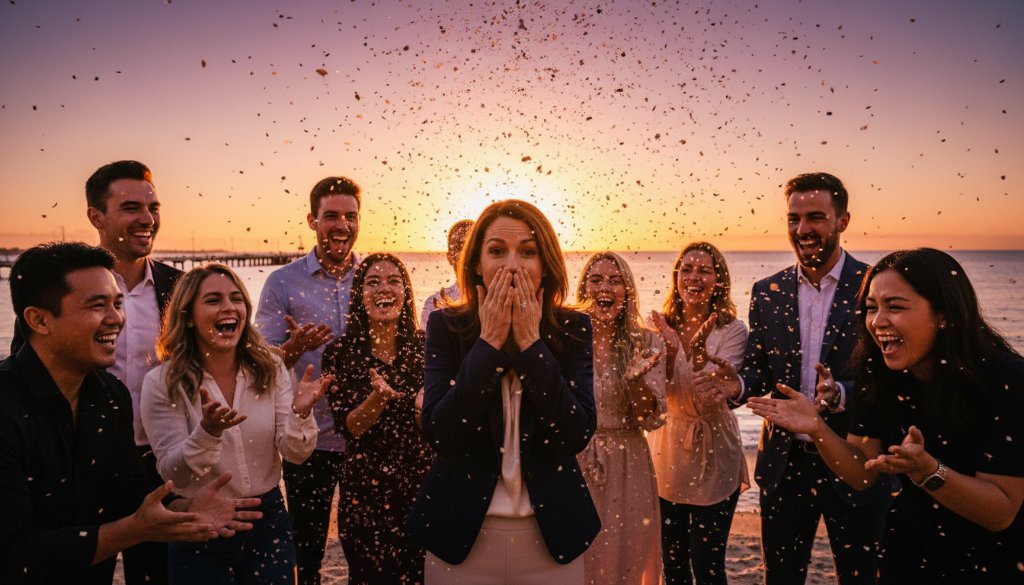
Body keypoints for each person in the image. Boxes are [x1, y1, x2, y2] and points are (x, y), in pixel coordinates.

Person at [748, 248, 1024, 583]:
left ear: (944, 314)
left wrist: (926, 470)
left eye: (895, 306)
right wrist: (818, 429)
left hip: (990, 559)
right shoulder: (878, 371)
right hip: (906, 551)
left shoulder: (1007, 380)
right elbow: (860, 472)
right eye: (871, 308)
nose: (877, 321)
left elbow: (1000, 511)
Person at [0, 242, 260, 585]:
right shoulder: (7, 405)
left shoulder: (110, 396)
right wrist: (135, 530)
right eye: (98, 306)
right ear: (39, 319)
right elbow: (13, 551)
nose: (117, 319)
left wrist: (183, 509)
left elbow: (127, 493)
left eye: (118, 303)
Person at [703, 172, 891, 584]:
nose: (802, 229)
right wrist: (737, 385)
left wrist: (840, 393)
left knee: (862, 575)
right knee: (782, 576)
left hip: (856, 455)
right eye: (793, 218)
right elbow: (758, 370)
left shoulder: (874, 286)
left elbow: (895, 375)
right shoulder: (767, 290)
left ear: (842, 220)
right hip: (785, 465)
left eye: (816, 217)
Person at [408, 199, 600, 584]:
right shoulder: (446, 328)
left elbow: (574, 432)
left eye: (528, 252)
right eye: (497, 251)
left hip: (551, 535)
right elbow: (442, 432)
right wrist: (489, 344)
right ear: (476, 263)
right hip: (460, 533)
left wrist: (531, 346)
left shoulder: (573, 329)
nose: (512, 265)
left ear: (546, 265)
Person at [8, 160, 182, 585]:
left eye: (153, 206)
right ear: (96, 217)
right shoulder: (54, 291)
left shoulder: (177, 290)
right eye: (130, 208)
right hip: (74, 450)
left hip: (154, 454)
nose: (147, 218)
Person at [141, 264, 330, 584]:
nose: (228, 307)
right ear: (188, 316)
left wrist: (299, 414)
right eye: (213, 300)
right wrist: (208, 432)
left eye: (236, 298)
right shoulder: (162, 382)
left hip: (267, 519)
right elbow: (173, 473)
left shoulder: (269, 366)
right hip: (200, 522)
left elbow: (295, 454)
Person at [255, 176, 361, 585]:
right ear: (312, 220)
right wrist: (293, 350)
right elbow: (260, 362)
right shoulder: (282, 282)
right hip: (307, 434)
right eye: (331, 215)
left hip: (364, 432)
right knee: (306, 544)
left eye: (350, 216)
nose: (342, 225)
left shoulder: (374, 276)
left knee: (367, 543)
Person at [324, 253, 432, 584]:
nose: (383, 288)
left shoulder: (426, 346)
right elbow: (352, 427)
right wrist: (379, 398)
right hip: (364, 495)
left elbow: (437, 426)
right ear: (359, 295)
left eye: (393, 281)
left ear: (405, 292)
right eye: (372, 282)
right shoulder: (341, 352)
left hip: (421, 486)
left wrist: (422, 409)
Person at [646, 242, 749, 585]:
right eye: (686, 269)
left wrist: (696, 354)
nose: (694, 276)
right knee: (672, 561)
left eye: (705, 270)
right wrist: (672, 348)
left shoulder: (732, 330)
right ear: (676, 277)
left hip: (714, 447)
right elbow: (660, 393)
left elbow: (711, 395)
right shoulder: (660, 329)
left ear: (719, 280)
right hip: (668, 450)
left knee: (707, 562)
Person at [574, 251, 665, 585]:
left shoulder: (646, 341)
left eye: (615, 280)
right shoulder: (568, 340)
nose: (605, 288)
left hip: (629, 464)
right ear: (583, 290)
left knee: (627, 555)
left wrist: (635, 381)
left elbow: (649, 419)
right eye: (596, 280)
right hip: (576, 461)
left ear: (627, 291)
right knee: (579, 557)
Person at [420, 219, 473, 328]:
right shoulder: (435, 303)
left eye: (471, 247)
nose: (465, 255)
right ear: (449, 258)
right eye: (459, 248)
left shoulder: (501, 298)